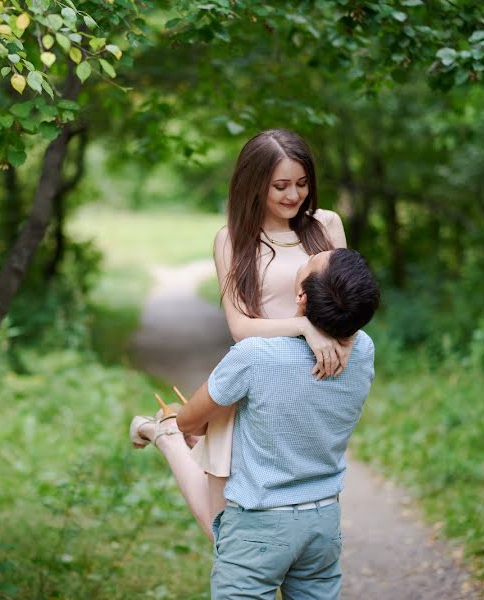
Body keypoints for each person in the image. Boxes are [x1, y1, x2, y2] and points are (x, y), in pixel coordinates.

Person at [130, 129, 352, 541]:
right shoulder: (232, 240)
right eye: (280, 186)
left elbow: (350, 299)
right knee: (223, 531)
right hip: (257, 383)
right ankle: (167, 435)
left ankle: (168, 430)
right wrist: (305, 328)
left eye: (302, 184)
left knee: (299, 510)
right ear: (254, 184)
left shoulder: (327, 225)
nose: (294, 196)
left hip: (315, 385)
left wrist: (343, 340)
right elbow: (241, 326)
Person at [177, 247, 380, 598]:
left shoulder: (255, 357)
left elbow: (187, 421)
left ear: (301, 299)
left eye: (310, 264)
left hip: (259, 523)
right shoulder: (362, 351)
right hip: (323, 521)